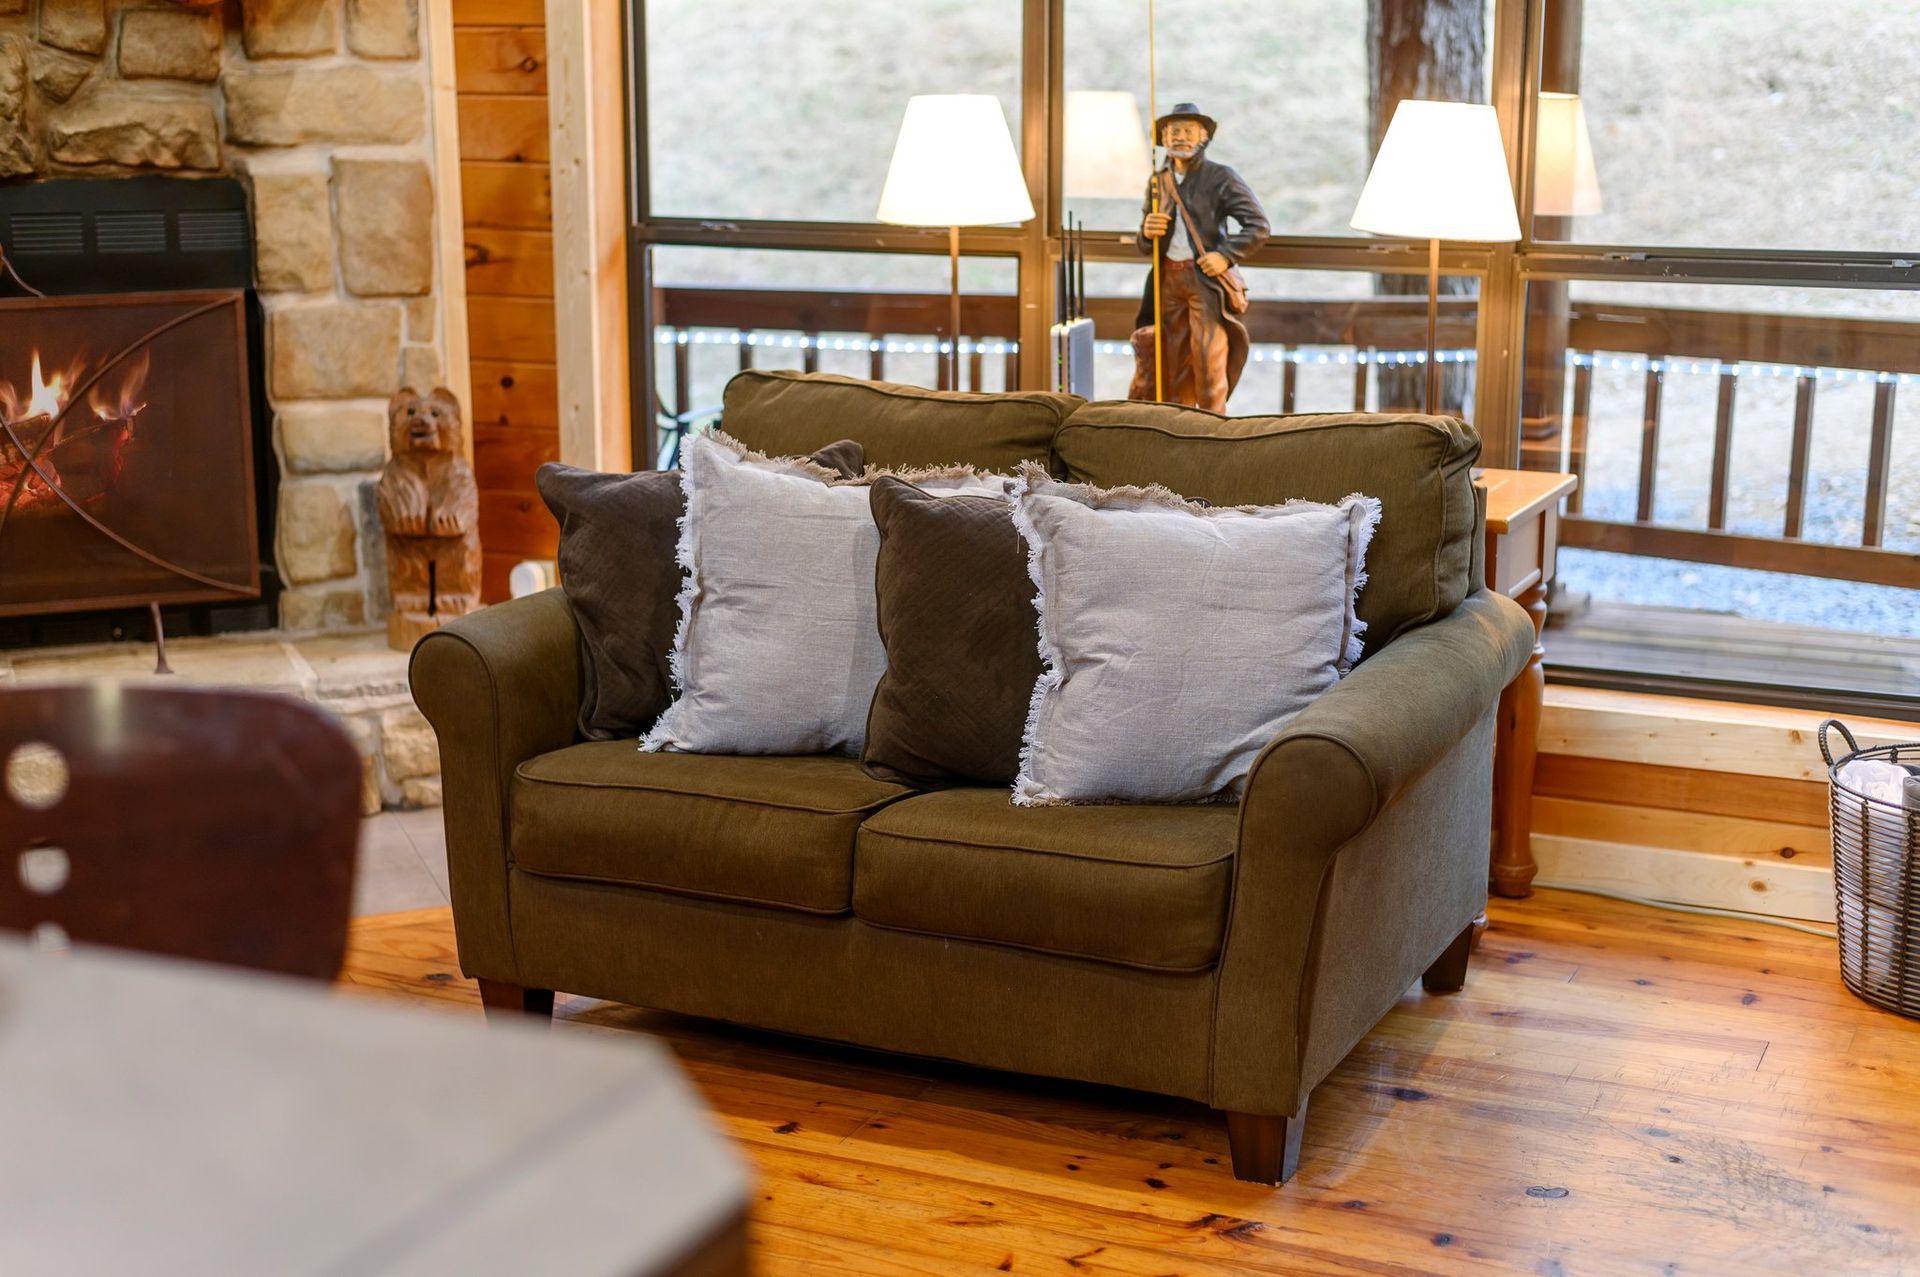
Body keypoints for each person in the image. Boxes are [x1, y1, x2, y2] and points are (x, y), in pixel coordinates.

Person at [1129, 102, 1270, 411]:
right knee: (1171, 361)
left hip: (1203, 282)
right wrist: (1147, 232)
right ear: (1164, 138)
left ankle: (1212, 426)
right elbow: (1144, 243)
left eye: (1189, 131)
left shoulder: (1220, 177)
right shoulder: (1158, 181)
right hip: (1167, 279)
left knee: (1209, 360)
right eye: (1174, 131)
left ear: (1203, 137)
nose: (1180, 137)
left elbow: (1258, 226)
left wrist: (1225, 255)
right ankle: (1176, 427)